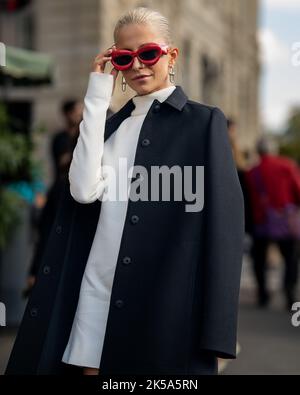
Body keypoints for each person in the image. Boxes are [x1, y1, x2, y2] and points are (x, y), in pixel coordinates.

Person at [5, 7, 244, 375]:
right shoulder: (109, 126)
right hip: (95, 289)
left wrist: (218, 331)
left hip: (165, 299)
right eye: (123, 57)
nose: (138, 65)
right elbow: (83, 190)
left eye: (148, 53)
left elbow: (224, 228)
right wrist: (97, 92)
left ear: (171, 55)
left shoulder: (203, 122)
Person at [245, 137, 300, 309]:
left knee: (259, 259)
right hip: (284, 220)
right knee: (290, 259)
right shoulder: (286, 165)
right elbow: (297, 189)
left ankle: (263, 294)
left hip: (261, 220)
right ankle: (289, 293)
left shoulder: (252, 172)